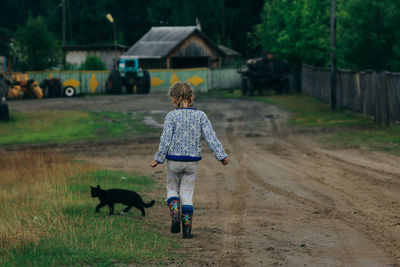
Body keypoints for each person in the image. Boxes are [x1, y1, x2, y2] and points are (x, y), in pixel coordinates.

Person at [151, 81, 228, 239]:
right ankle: (187, 231)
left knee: (172, 189)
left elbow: (165, 140)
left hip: (173, 161)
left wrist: (158, 159)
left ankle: (175, 216)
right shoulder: (201, 116)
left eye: (172, 98)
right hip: (191, 163)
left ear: (176, 98)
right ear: (191, 97)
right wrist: (222, 156)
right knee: (187, 194)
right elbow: (211, 138)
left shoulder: (171, 116)